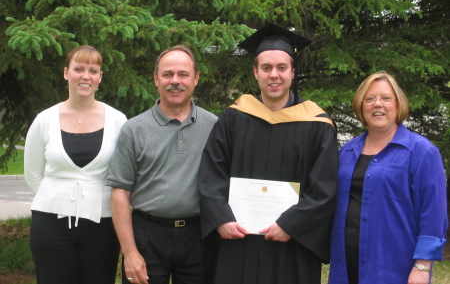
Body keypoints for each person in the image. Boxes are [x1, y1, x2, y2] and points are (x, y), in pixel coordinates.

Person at [199, 22, 339, 284]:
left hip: (292, 245)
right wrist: (221, 218)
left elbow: (324, 188)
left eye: (281, 67)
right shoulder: (234, 118)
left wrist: (292, 224)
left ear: (293, 72)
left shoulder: (317, 125)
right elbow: (212, 172)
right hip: (239, 240)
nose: (274, 75)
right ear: (255, 72)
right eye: (266, 68)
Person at [106, 45, 218, 284]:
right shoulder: (134, 130)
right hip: (147, 236)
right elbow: (119, 194)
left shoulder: (214, 127)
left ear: (196, 78)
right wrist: (130, 252)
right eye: (167, 74)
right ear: (156, 79)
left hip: (197, 237)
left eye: (183, 74)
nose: (175, 81)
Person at [328, 71, 448, 284]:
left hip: (393, 265)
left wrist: (422, 266)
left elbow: (433, 213)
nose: (378, 105)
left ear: (398, 104)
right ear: (360, 106)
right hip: (345, 263)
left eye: (385, 98)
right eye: (370, 99)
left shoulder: (421, 152)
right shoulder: (348, 150)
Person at [24, 45, 127, 284]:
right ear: (66, 73)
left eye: (93, 70)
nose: (85, 76)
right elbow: (32, 174)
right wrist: (57, 198)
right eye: (78, 69)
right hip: (51, 223)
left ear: (100, 77)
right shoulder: (44, 120)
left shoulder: (118, 121)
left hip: (102, 224)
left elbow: (123, 174)